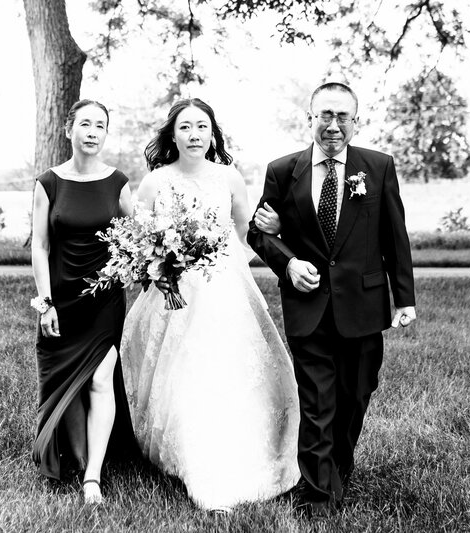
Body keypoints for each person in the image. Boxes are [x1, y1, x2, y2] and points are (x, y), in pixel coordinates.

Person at [120, 98, 301, 511]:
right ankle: (195, 460)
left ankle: (240, 453)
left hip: (223, 293)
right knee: (183, 374)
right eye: (185, 127)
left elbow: (242, 231)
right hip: (173, 296)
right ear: (172, 135)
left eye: (202, 127)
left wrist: (221, 268)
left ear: (213, 135)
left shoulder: (229, 178)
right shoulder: (154, 183)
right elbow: (142, 241)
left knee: (228, 370)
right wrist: (165, 272)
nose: (194, 135)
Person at [247, 82, 417, 516]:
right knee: (318, 400)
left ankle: (339, 463)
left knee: (356, 394)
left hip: (364, 305)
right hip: (309, 306)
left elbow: (394, 236)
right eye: (325, 115)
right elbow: (258, 232)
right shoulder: (284, 170)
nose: (333, 125)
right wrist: (287, 263)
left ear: (355, 121)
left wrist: (405, 297)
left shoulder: (377, 167)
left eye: (343, 116)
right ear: (310, 118)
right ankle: (319, 491)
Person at [30, 99, 136, 505]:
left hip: (105, 299)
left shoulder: (118, 183)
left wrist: (141, 268)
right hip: (61, 297)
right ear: (68, 130)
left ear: (106, 134)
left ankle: (93, 476)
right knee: (64, 382)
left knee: (98, 379)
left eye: (101, 126)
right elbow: (40, 246)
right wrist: (46, 302)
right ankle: (74, 456)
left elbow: (139, 236)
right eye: (85, 124)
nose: (93, 132)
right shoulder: (48, 183)